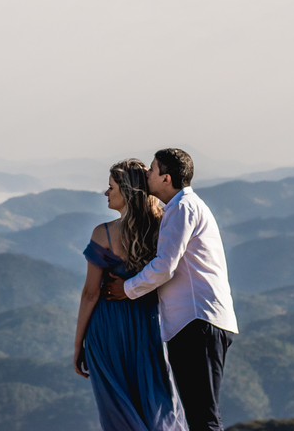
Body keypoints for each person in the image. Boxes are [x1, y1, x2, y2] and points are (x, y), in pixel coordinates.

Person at [105, 148, 238, 431]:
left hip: (197, 321)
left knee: (203, 415)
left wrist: (127, 288)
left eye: (152, 170)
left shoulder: (182, 208)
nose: (146, 174)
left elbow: (166, 265)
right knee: (200, 413)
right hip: (197, 320)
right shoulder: (182, 207)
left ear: (166, 178)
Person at [74, 159, 187, 431]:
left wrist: (78, 345)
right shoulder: (163, 228)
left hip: (108, 327)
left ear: (125, 192)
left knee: (117, 406)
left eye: (111, 187)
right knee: (156, 400)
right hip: (148, 325)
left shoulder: (103, 234)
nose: (106, 193)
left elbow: (90, 294)